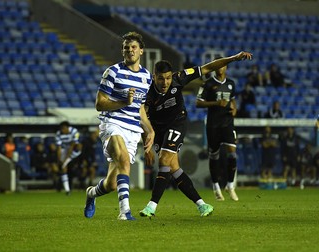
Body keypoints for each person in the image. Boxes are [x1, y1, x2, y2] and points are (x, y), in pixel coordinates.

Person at [139, 51, 252, 218]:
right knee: (174, 168)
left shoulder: (180, 77)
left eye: (168, 78)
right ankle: (202, 205)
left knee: (164, 160)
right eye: (161, 78)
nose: (165, 82)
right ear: (154, 77)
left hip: (177, 122)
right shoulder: (146, 92)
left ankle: (151, 206)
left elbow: (208, 67)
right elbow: (142, 119)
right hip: (158, 129)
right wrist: (146, 147)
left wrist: (234, 58)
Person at [83, 31, 155, 220]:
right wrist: (124, 102)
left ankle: (91, 194)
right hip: (112, 124)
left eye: (133, 47)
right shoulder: (113, 71)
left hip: (132, 130)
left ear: (141, 51)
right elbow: (99, 104)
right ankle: (125, 212)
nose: (129, 50)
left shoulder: (147, 77)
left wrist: (150, 130)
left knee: (111, 184)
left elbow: (140, 108)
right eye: (126, 48)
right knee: (123, 161)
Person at [196, 54, 252, 202]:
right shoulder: (207, 84)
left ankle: (230, 185)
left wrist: (234, 109)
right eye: (218, 65)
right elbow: (198, 103)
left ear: (226, 66)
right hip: (213, 124)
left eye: (222, 65)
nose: (220, 68)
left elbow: (232, 100)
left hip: (227, 123)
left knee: (232, 152)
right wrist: (215, 103)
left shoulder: (231, 84)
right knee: (214, 156)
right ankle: (216, 187)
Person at [55, 121, 82, 195]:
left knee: (79, 146)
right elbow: (59, 148)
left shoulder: (74, 131)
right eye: (61, 129)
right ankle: (67, 190)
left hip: (73, 151)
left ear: (68, 128)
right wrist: (60, 159)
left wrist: (66, 158)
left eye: (63, 128)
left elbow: (73, 145)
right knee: (63, 168)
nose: (62, 130)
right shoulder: (58, 134)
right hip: (64, 151)